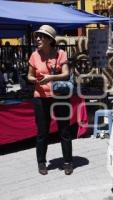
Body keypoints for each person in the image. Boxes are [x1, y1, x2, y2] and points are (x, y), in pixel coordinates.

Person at [27, 25, 73, 175]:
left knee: (64, 130)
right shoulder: (34, 55)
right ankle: (41, 162)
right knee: (42, 132)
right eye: (37, 36)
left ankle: (68, 162)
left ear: (50, 39)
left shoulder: (61, 54)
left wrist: (51, 77)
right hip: (40, 97)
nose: (38, 38)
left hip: (60, 96)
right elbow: (29, 76)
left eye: (41, 36)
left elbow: (66, 74)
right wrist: (35, 80)